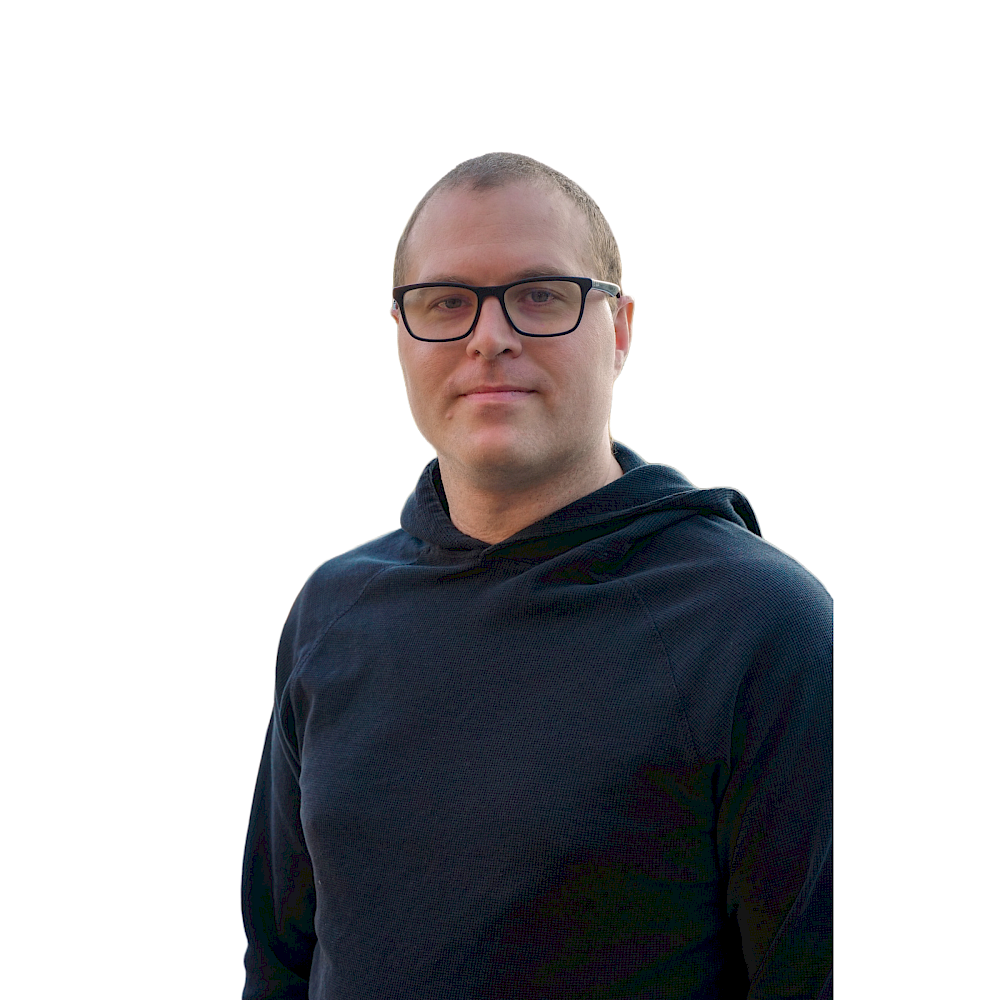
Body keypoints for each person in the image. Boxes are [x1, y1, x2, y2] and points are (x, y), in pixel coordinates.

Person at [241, 152, 833, 999]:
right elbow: (279, 965)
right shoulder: (332, 614)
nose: (490, 337)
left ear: (619, 330)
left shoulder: (764, 626)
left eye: (541, 296)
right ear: (401, 334)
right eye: (446, 302)